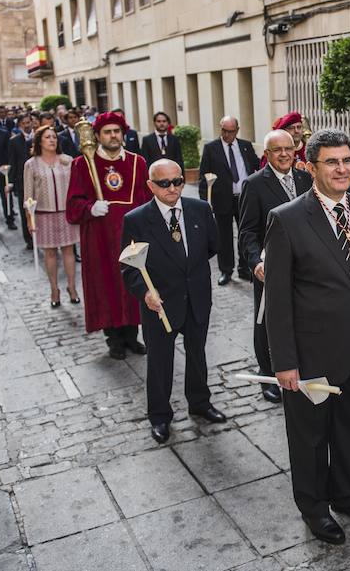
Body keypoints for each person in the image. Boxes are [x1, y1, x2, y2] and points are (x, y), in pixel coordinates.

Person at [265, 128, 350, 545]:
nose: (342, 169)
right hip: (311, 355)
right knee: (310, 438)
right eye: (332, 162)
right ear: (310, 166)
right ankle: (315, 507)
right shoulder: (286, 219)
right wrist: (284, 362)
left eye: (347, 160)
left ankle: (348, 496)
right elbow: (278, 299)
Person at [121, 158, 226, 444]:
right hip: (160, 305)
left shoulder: (200, 209)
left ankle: (200, 403)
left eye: (178, 181)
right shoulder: (137, 220)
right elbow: (129, 267)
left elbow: (211, 247)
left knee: (197, 354)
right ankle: (159, 415)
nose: (172, 188)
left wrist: (188, 272)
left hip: (197, 298)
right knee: (160, 361)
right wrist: (145, 292)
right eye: (165, 183)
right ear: (151, 185)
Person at [65, 111, 151, 359]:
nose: (113, 136)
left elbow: (147, 200)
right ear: (97, 136)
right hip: (99, 239)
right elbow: (72, 205)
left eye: (117, 131)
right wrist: (90, 207)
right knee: (106, 286)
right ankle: (113, 339)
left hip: (131, 236)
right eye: (107, 132)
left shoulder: (137, 162)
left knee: (133, 283)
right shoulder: (82, 164)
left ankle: (132, 336)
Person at [238, 129, 313, 404]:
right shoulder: (254, 184)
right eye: (277, 150)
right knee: (268, 322)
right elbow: (247, 231)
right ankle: (268, 374)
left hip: (305, 267)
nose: (284, 154)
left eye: (288, 148)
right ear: (267, 154)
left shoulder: (306, 178)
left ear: (295, 150)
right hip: (270, 268)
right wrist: (256, 262)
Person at [198, 116, 258, 285]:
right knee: (223, 237)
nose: (226, 134)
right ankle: (226, 271)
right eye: (224, 130)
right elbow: (204, 175)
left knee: (246, 234)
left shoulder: (246, 146)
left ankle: (245, 269)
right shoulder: (211, 148)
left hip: (245, 198)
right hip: (221, 199)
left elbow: (255, 167)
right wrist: (205, 201)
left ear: (237, 130)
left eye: (230, 131)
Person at [24, 126, 80, 307]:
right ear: (39, 141)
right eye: (47, 137)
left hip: (65, 213)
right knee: (49, 253)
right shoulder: (31, 164)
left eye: (54, 137)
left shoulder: (67, 161)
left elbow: (76, 187)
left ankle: (72, 287)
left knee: (68, 250)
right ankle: (54, 289)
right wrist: (29, 219)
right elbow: (28, 196)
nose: (52, 140)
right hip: (43, 214)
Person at [9, 114, 35, 249]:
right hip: (22, 181)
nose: (27, 125)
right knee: (25, 210)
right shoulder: (14, 141)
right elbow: (12, 162)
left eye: (28, 122)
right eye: (24, 123)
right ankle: (28, 239)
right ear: (19, 125)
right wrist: (11, 182)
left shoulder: (39, 138)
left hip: (38, 180)